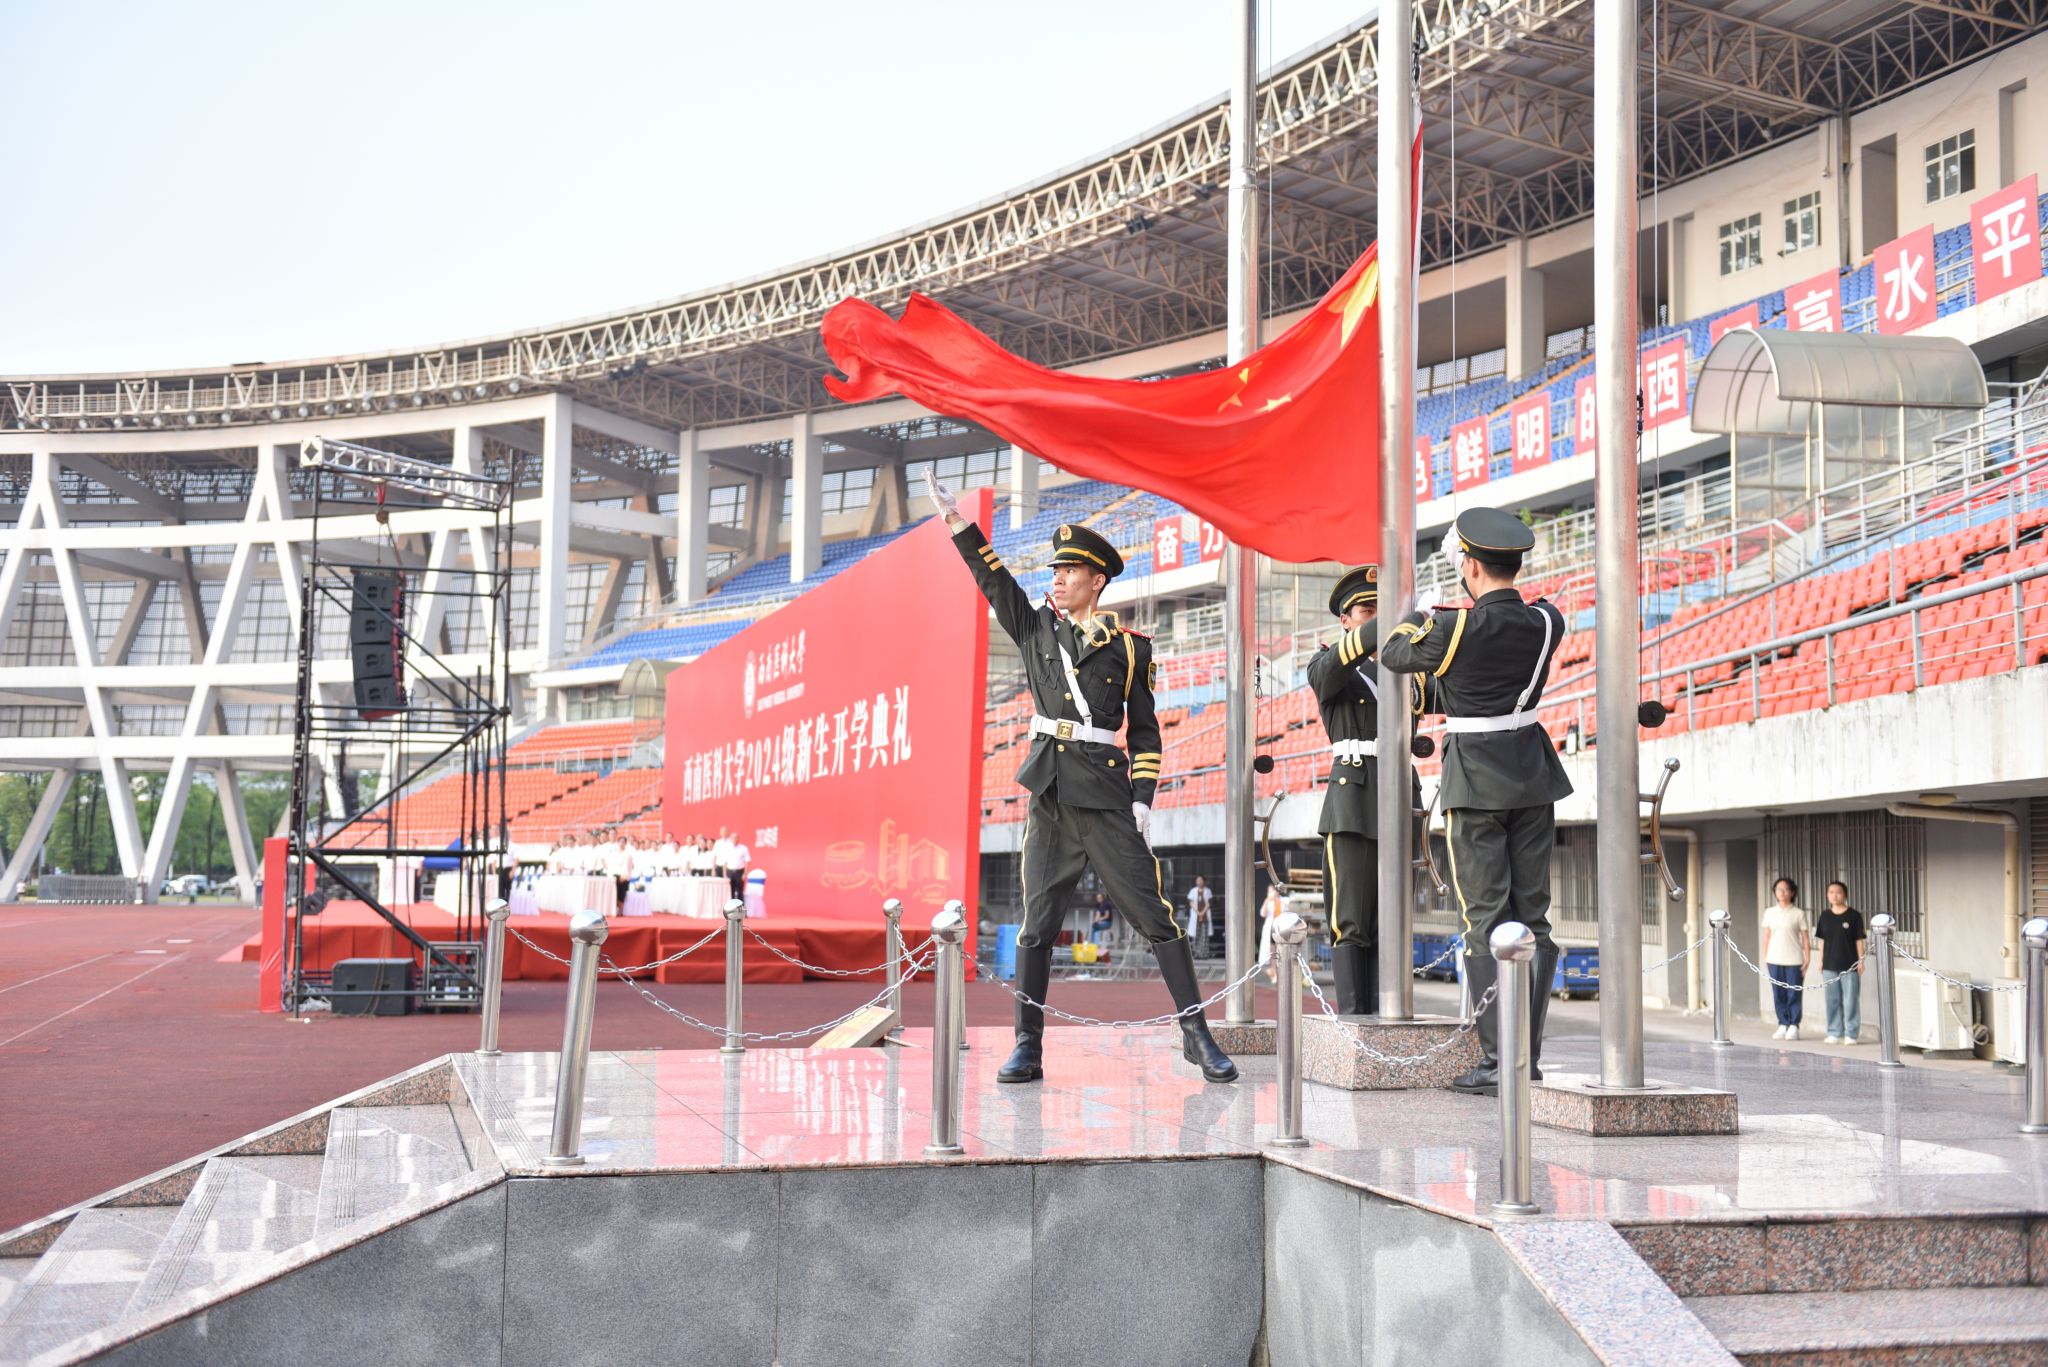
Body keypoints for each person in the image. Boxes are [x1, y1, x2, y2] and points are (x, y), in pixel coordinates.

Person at [927, 469, 1237, 1083]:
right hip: (1049, 795)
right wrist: (957, 522)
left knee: (1156, 917)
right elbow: (993, 579)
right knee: (1038, 925)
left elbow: (1144, 732)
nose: (1058, 578)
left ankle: (1197, 1034)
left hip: (1106, 797)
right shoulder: (1034, 627)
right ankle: (1028, 1045)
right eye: (1055, 569)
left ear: (1097, 579)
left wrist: (1143, 798)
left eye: (1069, 570)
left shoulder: (1132, 649)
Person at [1381, 507, 1570, 1096]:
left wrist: (1417, 614)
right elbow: (1478, 676)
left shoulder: (1452, 627)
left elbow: (1394, 652)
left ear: (1470, 566)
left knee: (1484, 918)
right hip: (1532, 773)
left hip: (1476, 780)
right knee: (1533, 917)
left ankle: (1497, 1060)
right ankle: (1527, 1057)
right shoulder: (1548, 621)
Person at [1305, 563, 1420, 1015]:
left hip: (1399, 793)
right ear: (1346, 620)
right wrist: (1389, 619)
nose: (1375, 618)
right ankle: (1356, 1020)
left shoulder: (1405, 669)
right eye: (1367, 611)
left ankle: (1388, 1016)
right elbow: (1332, 668)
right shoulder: (1327, 663)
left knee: (1392, 916)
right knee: (1351, 918)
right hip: (1353, 797)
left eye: (1379, 609)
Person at [1761, 876, 1811, 1040]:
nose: (1782, 892)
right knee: (1778, 993)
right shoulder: (1769, 912)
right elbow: (1767, 936)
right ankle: (1783, 1023)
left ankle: (1794, 1025)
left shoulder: (1798, 913)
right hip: (1774, 959)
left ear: (1792, 892)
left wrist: (1807, 958)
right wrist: (1766, 957)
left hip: (1794, 959)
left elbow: (1805, 938)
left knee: (1794, 993)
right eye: (1779, 889)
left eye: (1786, 889)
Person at [1816, 879, 1865, 1044]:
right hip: (1829, 965)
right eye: (1831, 892)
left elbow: (1859, 940)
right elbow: (1821, 940)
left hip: (1850, 964)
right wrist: (1820, 961)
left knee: (1851, 1000)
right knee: (1832, 1000)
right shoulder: (1825, 916)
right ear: (1827, 895)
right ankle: (1834, 1032)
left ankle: (1851, 1033)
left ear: (1845, 895)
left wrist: (1861, 961)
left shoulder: (1854, 915)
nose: (1834, 895)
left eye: (1838, 892)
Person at [1186, 875, 1214, 952]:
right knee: (1196, 935)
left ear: (1204, 881)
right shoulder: (1193, 891)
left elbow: (1209, 903)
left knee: (1204, 935)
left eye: (1201, 880)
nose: (1199, 882)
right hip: (1196, 915)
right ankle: (1196, 952)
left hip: (1205, 915)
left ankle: (1204, 953)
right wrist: (1198, 913)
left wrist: (1202, 913)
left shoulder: (1208, 891)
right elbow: (1191, 903)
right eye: (1197, 880)